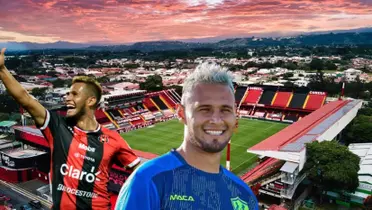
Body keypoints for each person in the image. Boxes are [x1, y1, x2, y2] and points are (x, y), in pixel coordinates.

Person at [0, 48, 141, 210]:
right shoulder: (57, 126)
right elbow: (25, 99)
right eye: (68, 93)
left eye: (74, 94)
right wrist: (2, 70)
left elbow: (142, 175)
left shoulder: (113, 139)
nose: (67, 97)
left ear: (91, 100)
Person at [115, 62, 259, 210]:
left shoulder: (244, 194)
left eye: (225, 110)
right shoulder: (148, 181)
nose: (216, 120)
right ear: (182, 114)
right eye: (204, 109)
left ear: (235, 114)